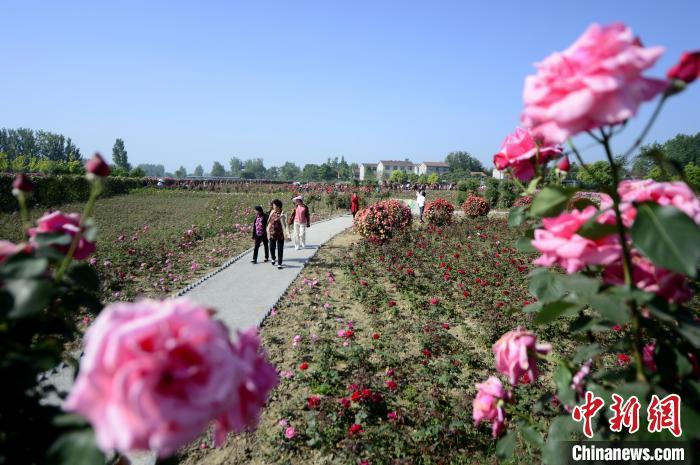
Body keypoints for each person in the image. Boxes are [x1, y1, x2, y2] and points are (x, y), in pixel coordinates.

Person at [267, 199, 287, 269]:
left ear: (278, 206)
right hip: (272, 233)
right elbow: (269, 222)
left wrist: (287, 234)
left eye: (274, 205)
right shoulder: (272, 212)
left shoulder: (283, 214)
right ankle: (273, 258)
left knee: (280, 249)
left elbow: (286, 224)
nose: (273, 206)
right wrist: (268, 231)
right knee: (272, 247)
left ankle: (279, 263)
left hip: (280, 234)